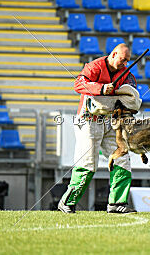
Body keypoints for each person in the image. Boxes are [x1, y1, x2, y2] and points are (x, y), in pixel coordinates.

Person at [58, 44, 137, 214]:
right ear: (114, 54)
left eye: (128, 61)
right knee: (87, 164)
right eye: (123, 60)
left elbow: (132, 87)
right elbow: (78, 84)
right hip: (88, 120)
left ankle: (117, 204)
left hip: (111, 121)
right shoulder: (94, 67)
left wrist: (130, 93)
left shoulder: (126, 74)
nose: (125, 64)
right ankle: (67, 202)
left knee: (122, 160)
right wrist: (100, 88)